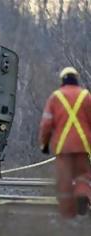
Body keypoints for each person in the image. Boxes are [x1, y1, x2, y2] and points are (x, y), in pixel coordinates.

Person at [39, 66, 91, 218]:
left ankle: (67, 215)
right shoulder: (86, 96)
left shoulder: (55, 97)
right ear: (76, 78)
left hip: (63, 147)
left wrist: (44, 144)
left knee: (64, 179)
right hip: (83, 145)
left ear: (62, 79)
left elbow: (46, 123)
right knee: (84, 174)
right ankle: (83, 195)